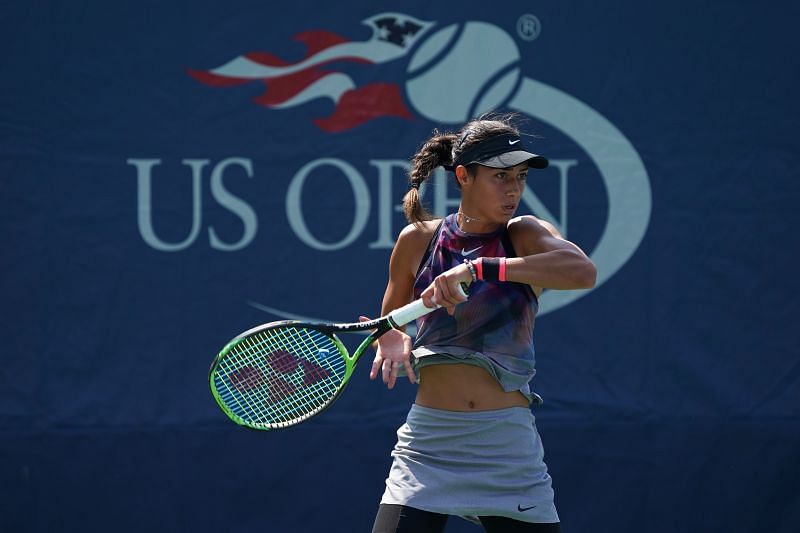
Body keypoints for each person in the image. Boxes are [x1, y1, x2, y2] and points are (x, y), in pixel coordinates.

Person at [368, 115, 597, 533]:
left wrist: (479, 268)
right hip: (428, 443)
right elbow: (391, 321)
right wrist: (392, 339)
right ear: (463, 176)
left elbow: (582, 271)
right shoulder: (418, 239)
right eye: (500, 176)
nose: (513, 189)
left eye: (521, 177)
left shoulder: (525, 233)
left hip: (506, 447)